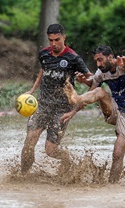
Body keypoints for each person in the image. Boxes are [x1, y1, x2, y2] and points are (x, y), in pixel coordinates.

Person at [64, 46, 125, 183]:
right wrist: (73, 112)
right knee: (99, 91)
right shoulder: (101, 72)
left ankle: (112, 185)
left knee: (117, 154)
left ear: (111, 57)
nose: (98, 64)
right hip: (114, 109)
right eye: (96, 61)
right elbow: (92, 92)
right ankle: (76, 97)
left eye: (100, 60)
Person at [21, 24, 92, 176]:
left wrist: (83, 82)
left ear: (64, 37)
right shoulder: (43, 54)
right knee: (29, 142)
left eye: (57, 40)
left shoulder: (73, 58)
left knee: (50, 150)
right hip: (43, 105)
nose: (53, 44)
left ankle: (68, 161)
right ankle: (22, 175)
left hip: (62, 110)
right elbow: (43, 70)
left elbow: (93, 81)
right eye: (50, 40)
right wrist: (33, 89)